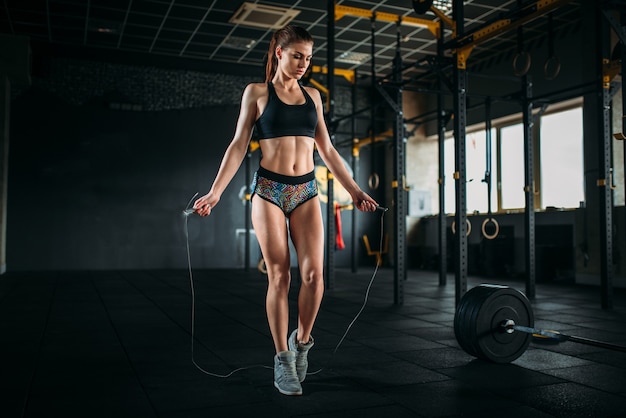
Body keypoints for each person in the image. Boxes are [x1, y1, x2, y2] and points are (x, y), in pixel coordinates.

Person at [193, 25, 378, 396]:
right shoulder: (258, 93)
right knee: (280, 276)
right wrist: (215, 192)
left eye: (308, 58)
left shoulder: (313, 97)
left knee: (314, 277)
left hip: (307, 191)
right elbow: (237, 146)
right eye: (297, 56)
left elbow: (327, 150)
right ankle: (281, 359)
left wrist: (355, 190)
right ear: (278, 52)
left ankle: (302, 343)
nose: (303, 64)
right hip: (269, 192)